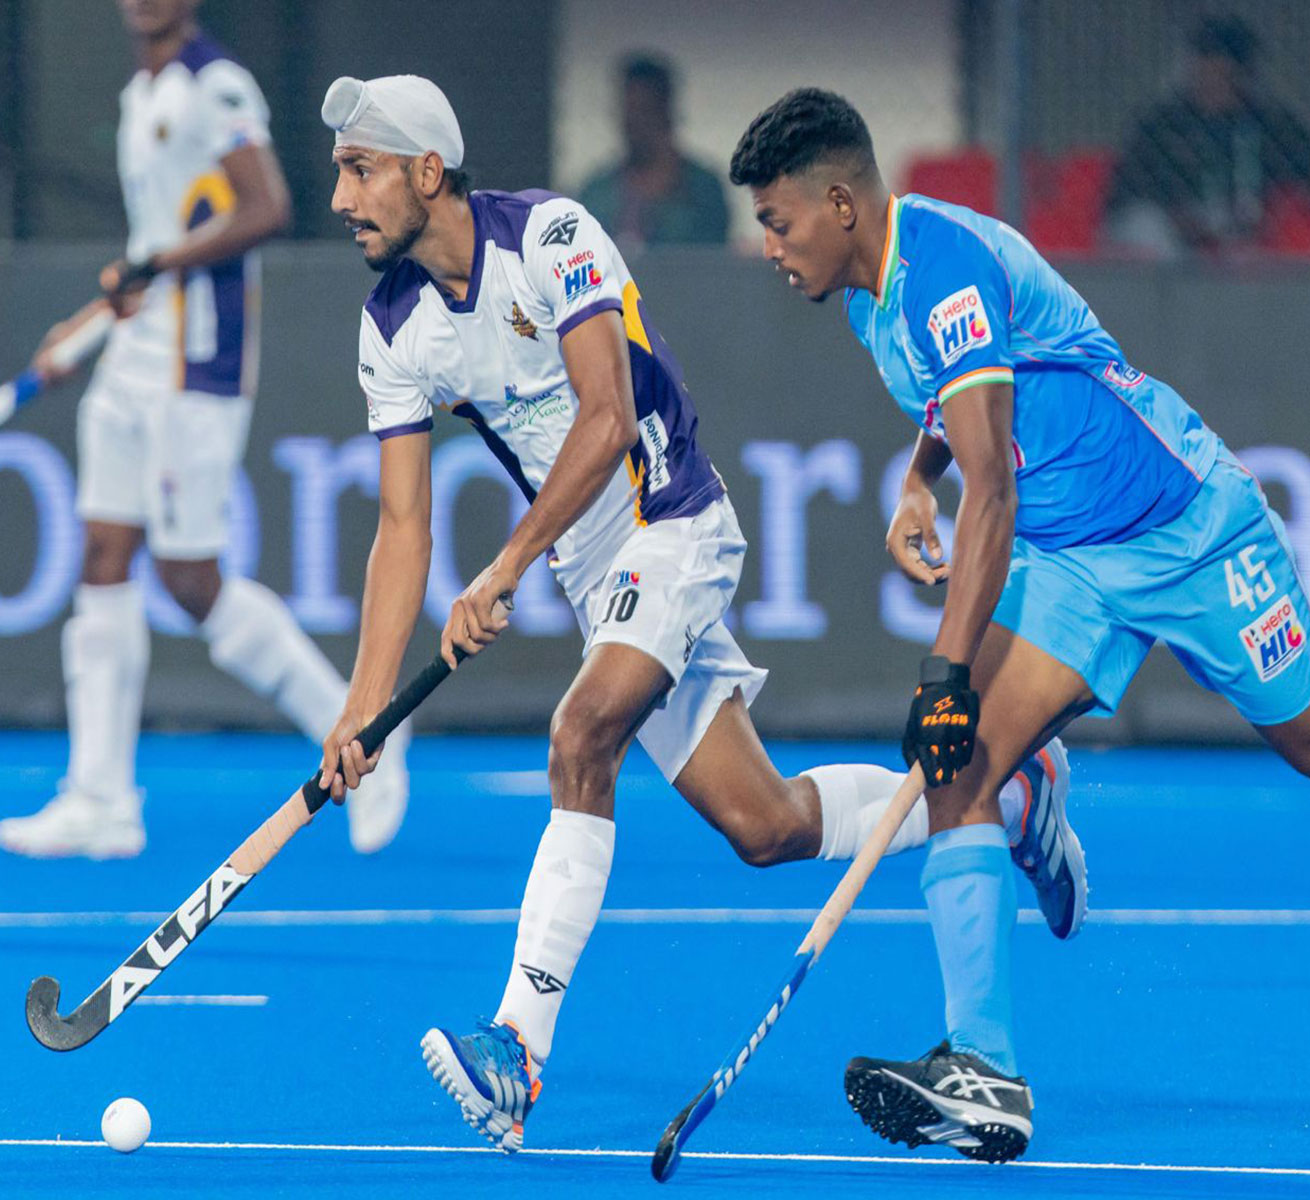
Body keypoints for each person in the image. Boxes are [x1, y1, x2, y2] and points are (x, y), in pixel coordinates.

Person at [729, 87, 1310, 1163]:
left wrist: (944, 670)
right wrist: (917, 482)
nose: (767, 245)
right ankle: (983, 1067)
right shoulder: (871, 298)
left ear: (839, 202)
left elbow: (992, 487)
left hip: (1191, 534)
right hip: (1075, 563)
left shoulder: (941, 269)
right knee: (959, 765)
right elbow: (958, 426)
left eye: (777, 222)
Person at [318, 73, 1087, 1154]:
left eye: (361, 169)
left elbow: (605, 417)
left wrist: (502, 570)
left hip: (669, 524)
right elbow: (400, 528)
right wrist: (361, 711)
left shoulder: (551, 236)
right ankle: (1003, 798)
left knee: (581, 736)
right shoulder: (390, 326)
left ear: (427, 171)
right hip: (598, 581)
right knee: (762, 827)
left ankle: (516, 1051)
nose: (343, 195)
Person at [0, 0, 409, 860]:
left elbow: (266, 207)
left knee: (190, 581)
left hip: (199, 366)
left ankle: (368, 731)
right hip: (133, 358)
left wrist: (152, 268)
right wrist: (87, 324)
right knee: (103, 555)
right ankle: (101, 800)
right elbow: (154, 248)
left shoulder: (214, 85)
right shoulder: (137, 95)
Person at [1103, 15, 1310, 259]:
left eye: (1221, 77)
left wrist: (1307, 196)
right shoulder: (1164, 123)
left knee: (1248, 243)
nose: (1210, 85)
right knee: (1148, 229)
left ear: (1242, 77)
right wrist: (1178, 216)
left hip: (1240, 224)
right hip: (1168, 227)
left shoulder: (1269, 124)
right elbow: (1126, 191)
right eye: (1202, 75)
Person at [576, 54, 729, 249]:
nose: (634, 125)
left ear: (666, 112)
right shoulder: (596, 193)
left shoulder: (703, 190)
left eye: (644, 111)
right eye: (628, 112)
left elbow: (711, 264)